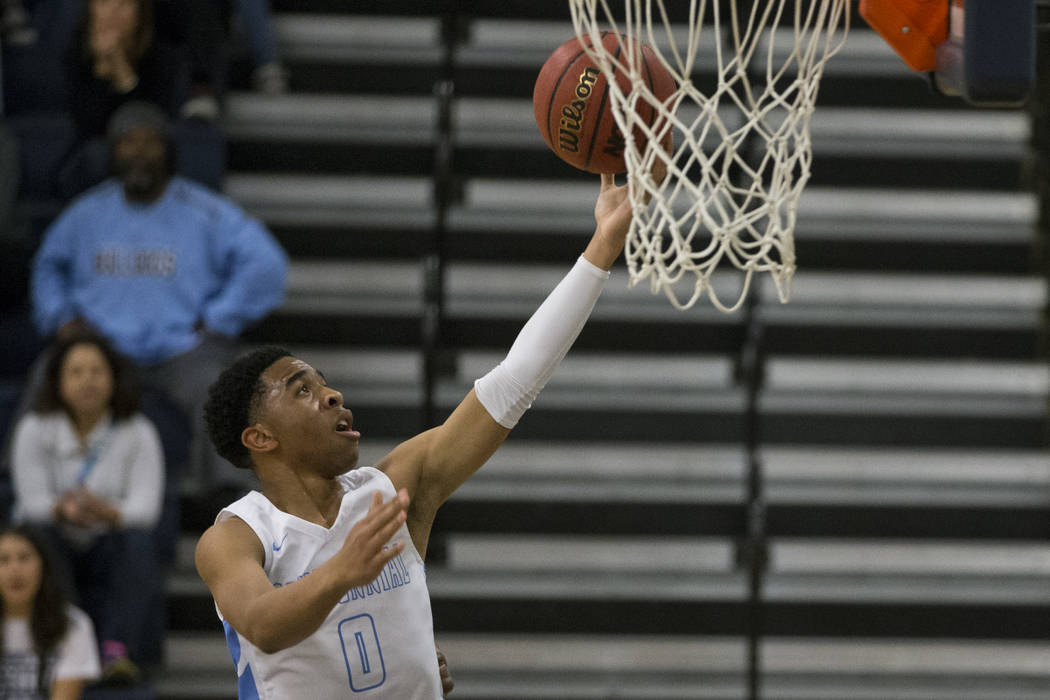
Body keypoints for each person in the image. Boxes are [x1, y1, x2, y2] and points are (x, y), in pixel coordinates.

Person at [194, 172, 638, 697]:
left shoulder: (392, 490)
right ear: (260, 438)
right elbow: (264, 626)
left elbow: (514, 382)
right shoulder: (237, 534)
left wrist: (601, 249)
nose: (333, 396)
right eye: (302, 391)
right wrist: (341, 572)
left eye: (327, 384)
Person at [30, 99, 288, 498]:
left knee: (224, 388)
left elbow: (267, 264)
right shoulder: (87, 213)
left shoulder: (204, 210)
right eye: (127, 143)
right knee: (47, 372)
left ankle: (232, 500)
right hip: (102, 350)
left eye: (148, 142)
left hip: (182, 350)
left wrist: (221, 317)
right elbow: (48, 266)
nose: (137, 153)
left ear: (167, 151)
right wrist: (60, 316)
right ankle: (19, 478)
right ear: (112, 152)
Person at [9, 333, 163, 683]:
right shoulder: (33, 429)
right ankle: (58, 652)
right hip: (55, 537)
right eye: (76, 372)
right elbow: (32, 505)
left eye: (96, 371)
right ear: (58, 381)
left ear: (113, 378)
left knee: (138, 542)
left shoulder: (138, 431)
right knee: (37, 536)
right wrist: (62, 511)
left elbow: (146, 510)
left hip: (109, 540)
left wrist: (106, 512)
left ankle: (116, 654)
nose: (87, 381)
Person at [59, 0, 188, 197]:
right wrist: (101, 68)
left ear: (141, 13)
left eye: (124, 4)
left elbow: (152, 122)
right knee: (95, 154)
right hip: (92, 156)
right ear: (90, 10)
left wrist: (122, 72)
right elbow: (88, 127)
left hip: (150, 156)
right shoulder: (75, 55)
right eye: (104, 3)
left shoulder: (163, 57)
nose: (113, 12)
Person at [0, 524, 102, 699]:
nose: (15, 569)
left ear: (43, 566)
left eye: (24, 558)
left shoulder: (73, 623)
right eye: (4, 559)